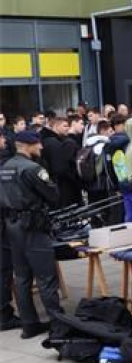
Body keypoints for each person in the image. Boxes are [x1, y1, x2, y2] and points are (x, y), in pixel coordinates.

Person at [0, 130, 62, 338]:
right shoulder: (33, 168)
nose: (41, 147)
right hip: (33, 226)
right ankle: (57, 323)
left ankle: (29, 324)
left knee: (22, 277)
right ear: (28, 146)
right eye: (38, 144)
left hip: (12, 225)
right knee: (46, 276)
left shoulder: (5, 168)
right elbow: (53, 195)